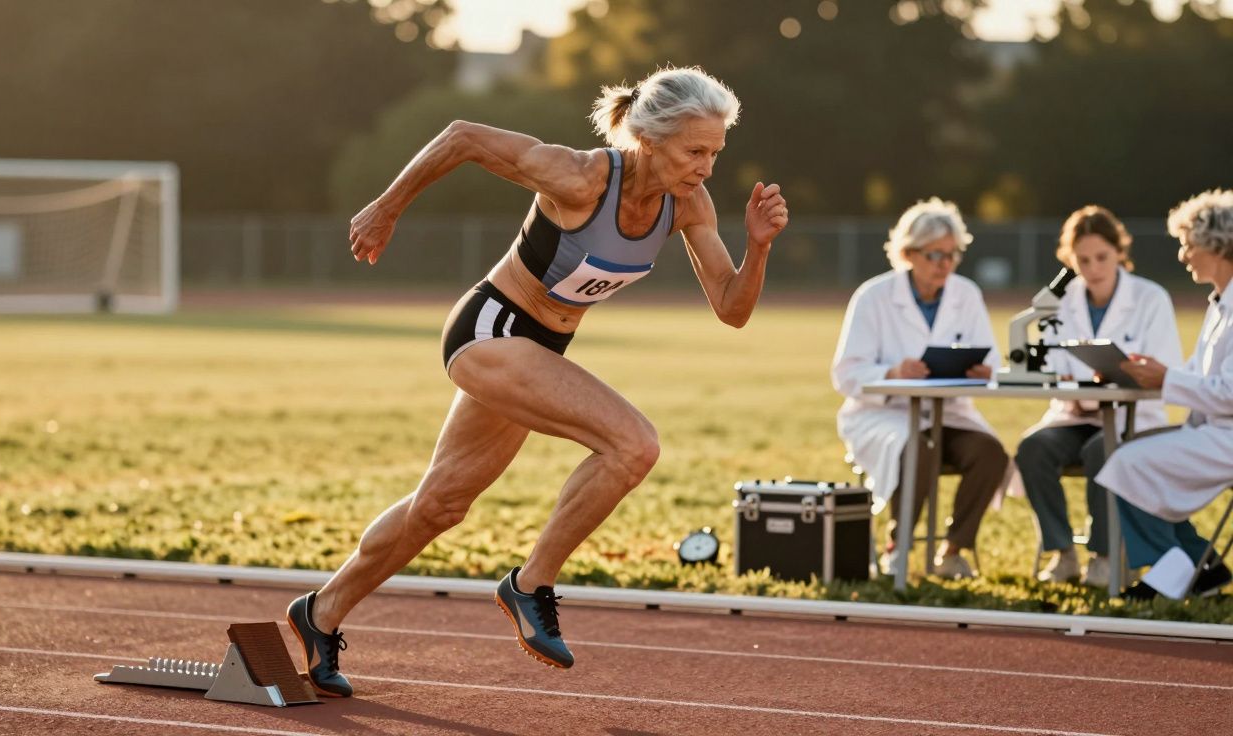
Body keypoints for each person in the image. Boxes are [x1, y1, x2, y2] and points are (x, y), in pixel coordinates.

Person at [283, 67, 789, 695]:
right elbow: (462, 134)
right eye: (695, 151)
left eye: (715, 151)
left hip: (540, 349)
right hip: (491, 329)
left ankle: (320, 613)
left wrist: (759, 248)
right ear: (649, 139)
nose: (707, 167)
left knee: (440, 505)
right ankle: (530, 584)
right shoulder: (578, 176)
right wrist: (386, 210)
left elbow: (732, 309)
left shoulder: (689, 204)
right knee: (634, 444)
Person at [832, 198, 1008, 580]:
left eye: (953, 254)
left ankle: (954, 550)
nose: (945, 264)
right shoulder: (873, 297)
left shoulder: (967, 294)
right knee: (918, 447)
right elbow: (846, 374)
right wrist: (894, 372)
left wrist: (982, 370)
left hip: (951, 413)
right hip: (885, 415)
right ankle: (900, 546)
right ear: (909, 253)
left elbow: (992, 360)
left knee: (991, 453)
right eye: (935, 255)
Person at [1014, 206, 1182, 586]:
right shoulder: (1058, 301)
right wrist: (1074, 384)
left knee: (1100, 449)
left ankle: (1106, 556)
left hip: (1135, 418)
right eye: (1083, 260)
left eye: (1102, 257)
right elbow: (1053, 360)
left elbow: (1165, 366)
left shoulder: (1151, 298)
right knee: (1032, 448)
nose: (1093, 268)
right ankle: (1063, 552)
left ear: (1120, 250)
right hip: (1074, 414)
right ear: (1070, 260)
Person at [1094, 188, 1233, 601]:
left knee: (1128, 462)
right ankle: (1200, 565)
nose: (1182, 255)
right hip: (1214, 430)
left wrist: (1164, 379)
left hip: (1226, 435)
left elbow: (1228, 393)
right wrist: (1147, 372)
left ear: (1218, 245)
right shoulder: (1220, 303)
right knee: (1130, 453)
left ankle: (1173, 567)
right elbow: (1197, 372)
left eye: (1187, 245)